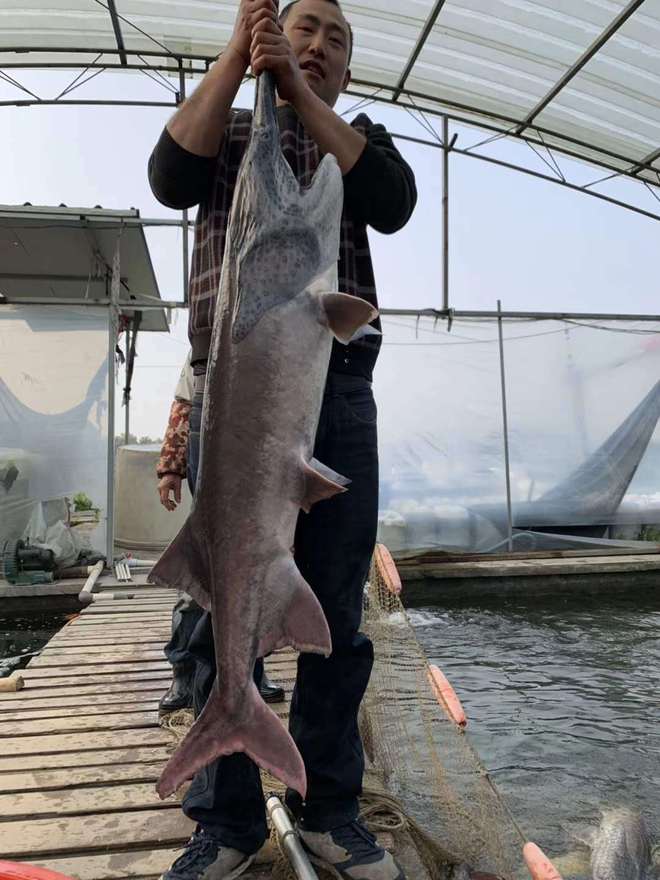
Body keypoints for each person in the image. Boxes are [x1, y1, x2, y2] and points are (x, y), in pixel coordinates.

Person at [148, 1, 416, 877]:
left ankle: (328, 811)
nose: (320, 45)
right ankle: (224, 824)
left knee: (336, 611)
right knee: (219, 606)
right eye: (306, 28)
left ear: (344, 69)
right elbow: (167, 177)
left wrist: (298, 92)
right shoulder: (224, 132)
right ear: (269, 36)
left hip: (334, 394)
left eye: (338, 40)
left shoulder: (357, 136)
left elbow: (393, 199)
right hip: (231, 392)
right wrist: (235, 57)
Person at [156, 351, 284, 711]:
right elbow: (183, 402)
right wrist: (170, 467)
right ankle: (183, 670)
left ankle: (253, 672)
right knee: (202, 570)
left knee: (252, 576)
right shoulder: (205, 342)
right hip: (209, 450)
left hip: (256, 461)